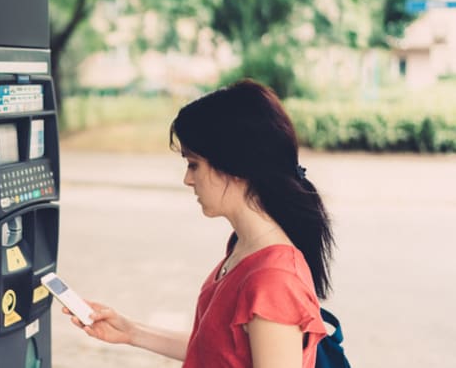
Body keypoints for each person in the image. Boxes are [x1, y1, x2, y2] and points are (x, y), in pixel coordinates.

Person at [64, 79, 335, 368]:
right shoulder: (244, 245)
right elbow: (216, 347)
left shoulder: (275, 278)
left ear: (236, 167)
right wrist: (130, 331)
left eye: (194, 164)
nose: (187, 179)